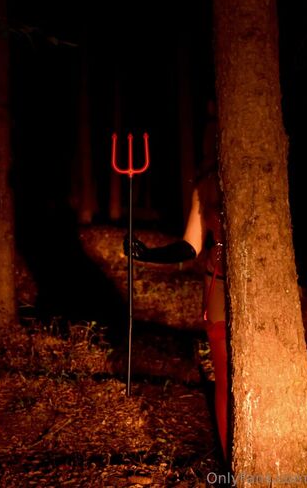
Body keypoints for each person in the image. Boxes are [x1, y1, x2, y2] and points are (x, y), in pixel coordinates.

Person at [124, 107, 228, 458]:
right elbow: (190, 245)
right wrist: (147, 254)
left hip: (258, 292)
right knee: (225, 376)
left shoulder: (260, 177)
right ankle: (232, 460)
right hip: (218, 285)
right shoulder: (205, 186)